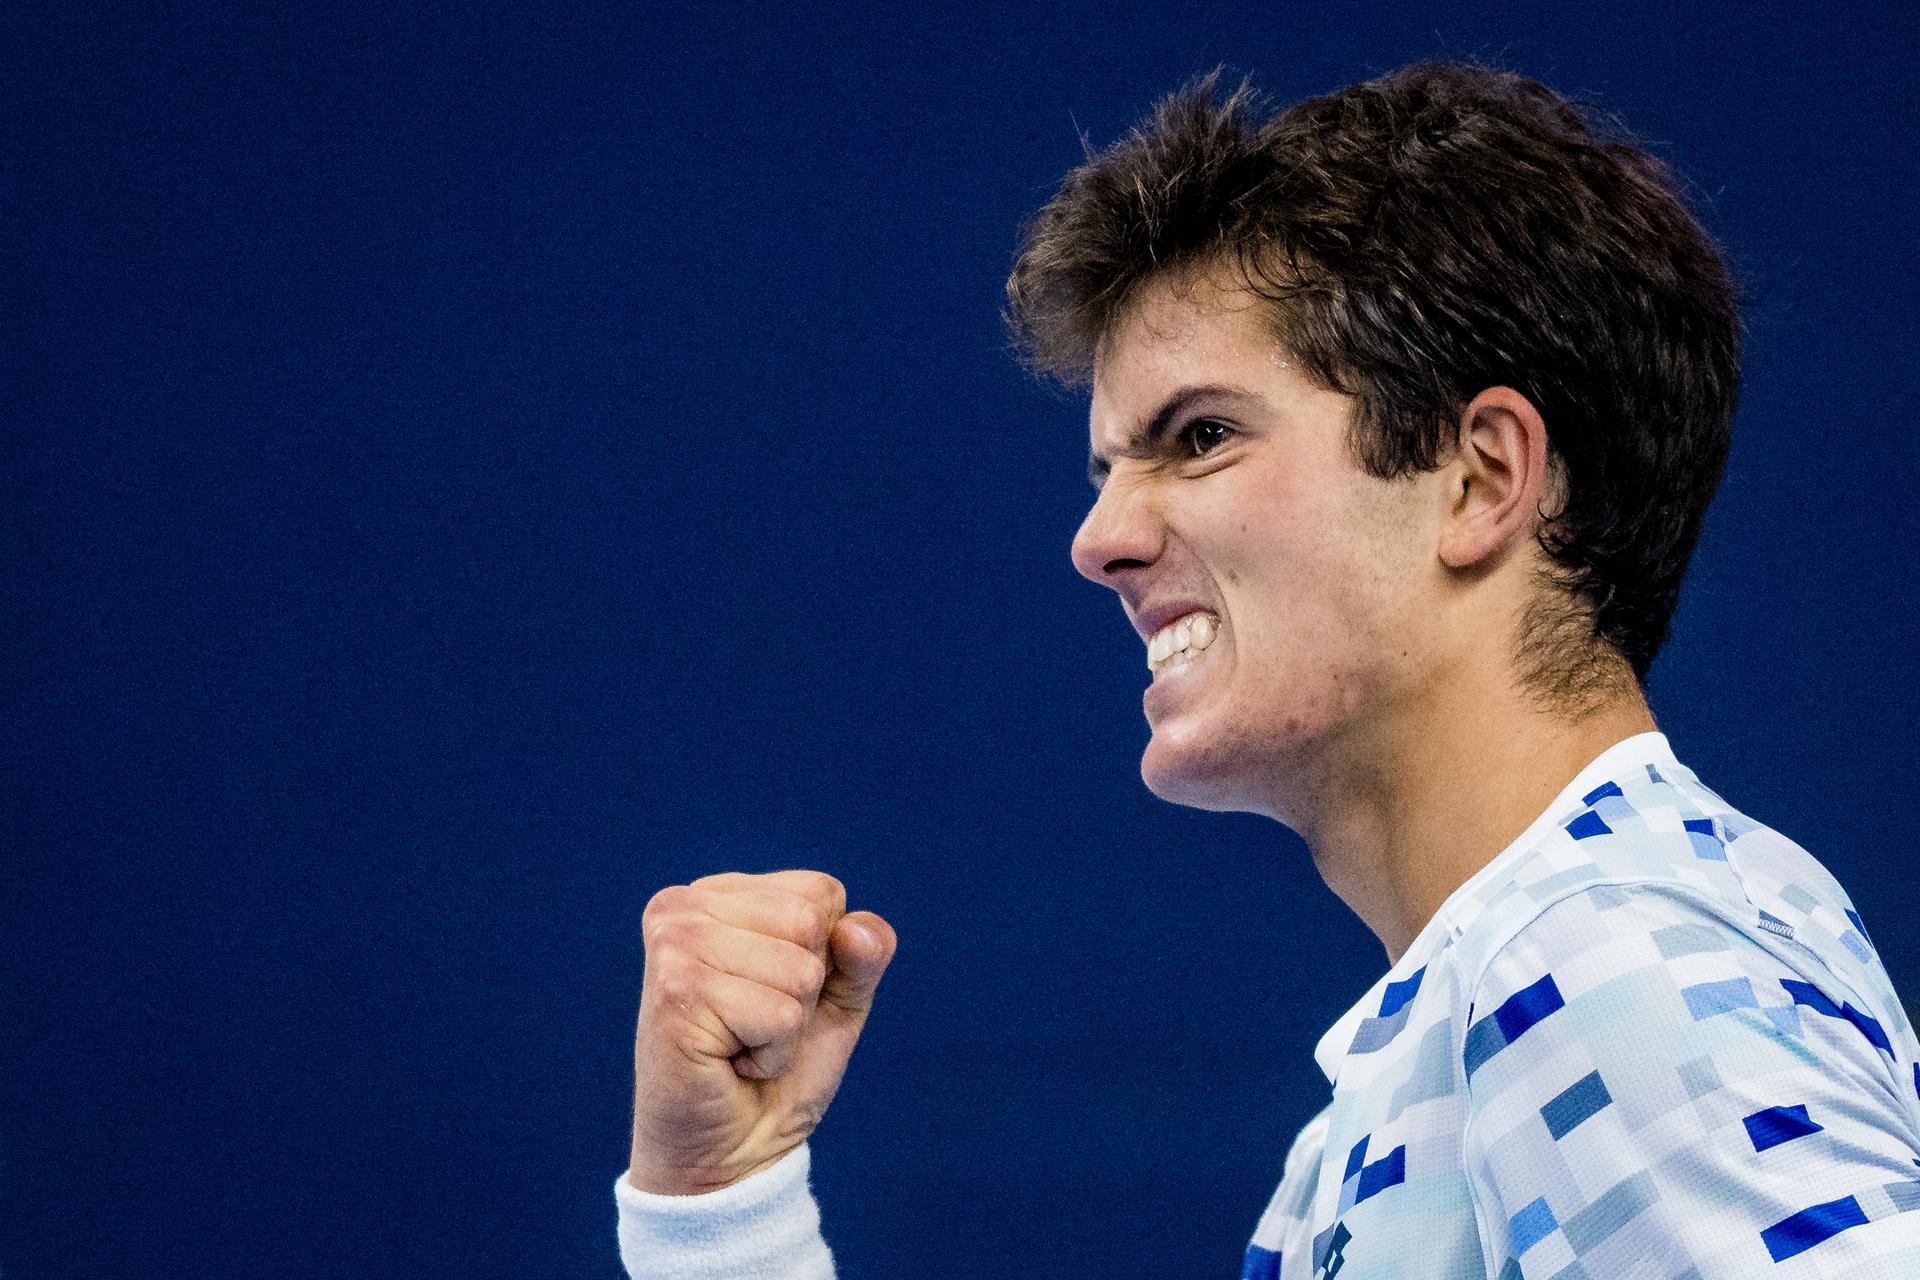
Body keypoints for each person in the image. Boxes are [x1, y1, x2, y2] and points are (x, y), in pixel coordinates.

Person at [611, 62, 1920, 1277]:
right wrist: (721, 1200)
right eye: (1109, 466)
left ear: (1479, 480)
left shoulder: (1597, 962)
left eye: (1200, 436)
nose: (1100, 540)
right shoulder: (1482, 1027)